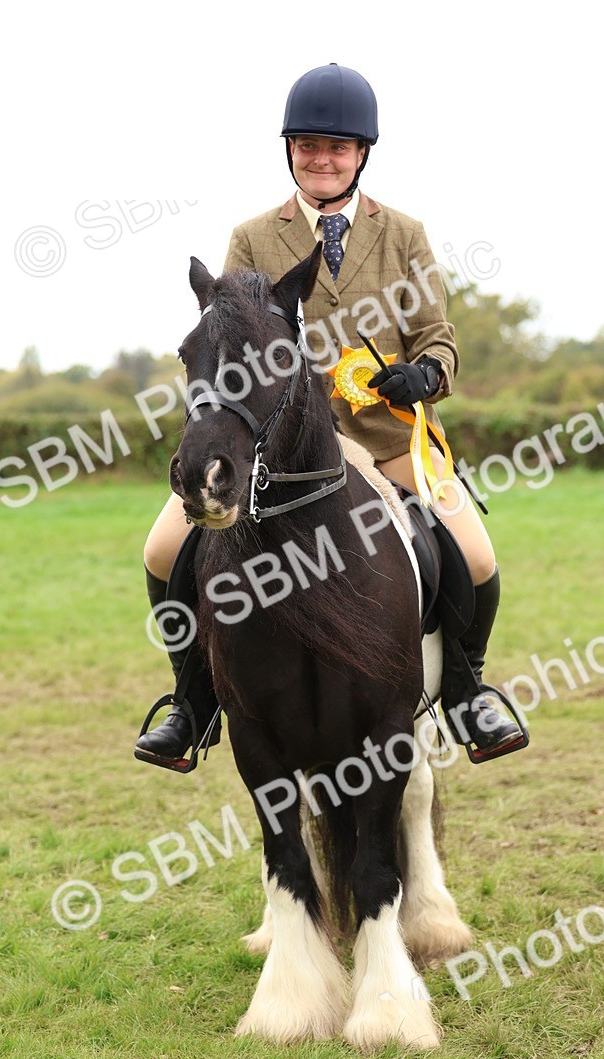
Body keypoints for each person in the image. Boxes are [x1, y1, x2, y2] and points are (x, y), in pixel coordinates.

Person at [135, 63, 522, 771]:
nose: (321, 158)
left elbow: (438, 333)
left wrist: (426, 373)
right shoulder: (253, 237)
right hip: (274, 447)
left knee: (477, 555)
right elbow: (229, 336)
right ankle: (191, 701)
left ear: (361, 155)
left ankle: (467, 690)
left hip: (387, 435)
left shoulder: (404, 234)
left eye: (337, 148)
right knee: (164, 552)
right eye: (308, 145)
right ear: (290, 150)